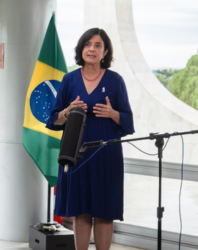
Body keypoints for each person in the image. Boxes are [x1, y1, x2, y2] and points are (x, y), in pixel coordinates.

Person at [46, 28, 134, 250]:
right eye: (87, 44)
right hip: (76, 153)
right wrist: (67, 111)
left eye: (97, 45)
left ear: (105, 52)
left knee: (105, 212)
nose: (92, 49)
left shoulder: (116, 81)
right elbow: (53, 120)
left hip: (106, 154)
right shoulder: (69, 79)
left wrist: (112, 114)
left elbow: (129, 121)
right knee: (80, 209)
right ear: (81, 49)